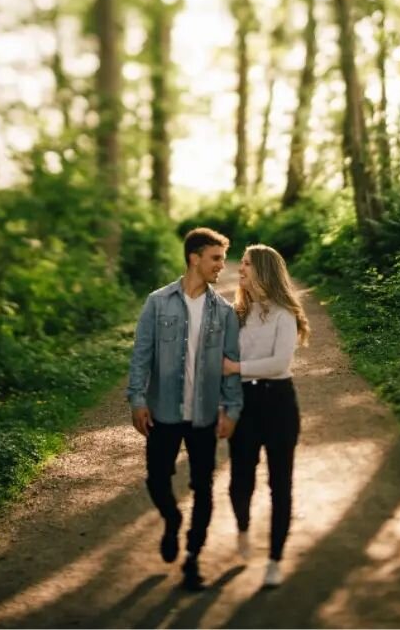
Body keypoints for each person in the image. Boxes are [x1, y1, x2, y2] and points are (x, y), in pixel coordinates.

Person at [128, 226, 244, 591]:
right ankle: (172, 520)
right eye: (215, 259)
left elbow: (232, 363)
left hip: (204, 414)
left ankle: (193, 557)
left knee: (204, 487)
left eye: (223, 260)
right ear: (194, 257)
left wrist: (232, 410)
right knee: (156, 479)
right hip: (163, 412)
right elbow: (141, 355)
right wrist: (137, 399)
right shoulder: (158, 302)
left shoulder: (223, 312)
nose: (221, 267)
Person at [220, 243, 309, 589]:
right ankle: (243, 530)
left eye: (245, 264)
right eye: (240, 263)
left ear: (264, 270)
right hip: (244, 403)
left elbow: (279, 364)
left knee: (280, 484)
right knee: (240, 480)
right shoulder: (235, 314)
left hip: (279, 405)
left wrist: (234, 368)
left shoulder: (284, 314)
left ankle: (274, 558)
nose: (239, 269)